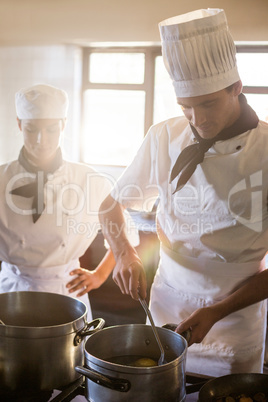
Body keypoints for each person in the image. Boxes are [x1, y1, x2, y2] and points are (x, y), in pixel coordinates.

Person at [99, 8, 268, 376]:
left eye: (208, 103)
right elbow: (109, 206)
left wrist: (218, 310)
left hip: (234, 315)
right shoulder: (165, 136)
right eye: (186, 107)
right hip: (166, 300)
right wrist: (123, 253)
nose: (198, 119)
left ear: (236, 87)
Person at [0, 83, 138, 320]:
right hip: (13, 291)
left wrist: (99, 275)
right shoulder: (2, 179)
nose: (41, 140)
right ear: (20, 124)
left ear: (63, 125)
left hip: (67, 291)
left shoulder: (88, 180)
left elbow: (124, 234)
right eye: (32, 129)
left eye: (52, 129)